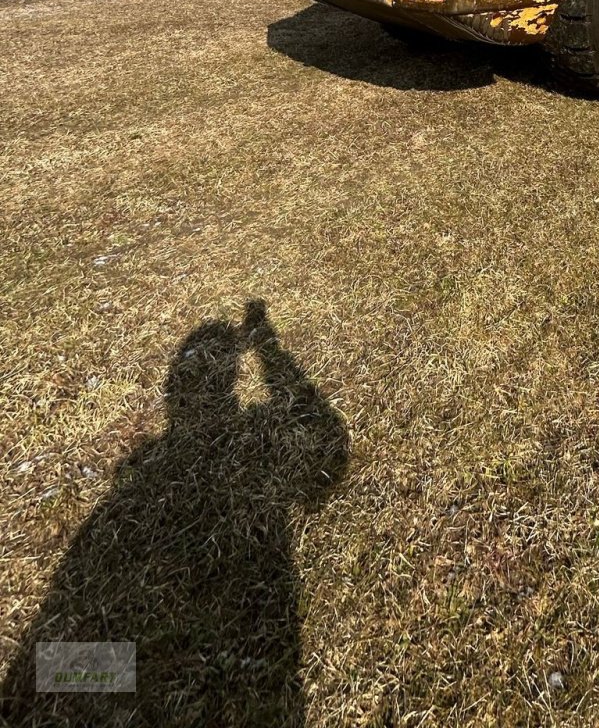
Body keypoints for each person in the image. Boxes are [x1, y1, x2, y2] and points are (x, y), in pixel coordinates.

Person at [2, 302, 348, 726]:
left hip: (182, 659)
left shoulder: (144, 479)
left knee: (60, 673)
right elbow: (323, 453)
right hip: (207, 663)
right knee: (64, 674)